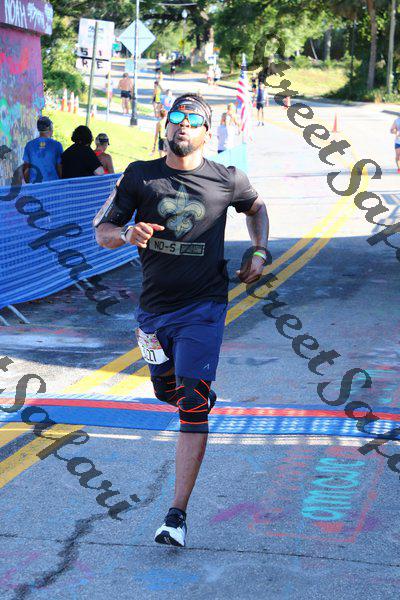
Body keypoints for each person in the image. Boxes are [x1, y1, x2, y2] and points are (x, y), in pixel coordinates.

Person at [93, 93, 269, 548]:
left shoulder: (227, 179)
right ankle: (197, 393)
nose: (183, 124)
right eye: (176, 117)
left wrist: (259, 250)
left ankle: (176, 515)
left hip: (204, 307)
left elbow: (256, 208)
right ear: (166, 125)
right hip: (154, 312)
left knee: (191, 402)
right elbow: (101, 231)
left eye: (194, 119)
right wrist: (126, 232)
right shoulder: (139, 176)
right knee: (165, 391)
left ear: (208, 132)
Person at [22, 116, 63, 183]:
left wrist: (29, 183)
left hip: (35, 184)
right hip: (52, 184)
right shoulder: (57, 145)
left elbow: (26, 168)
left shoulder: (29, 145)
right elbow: (59, 167)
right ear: (50, 128)